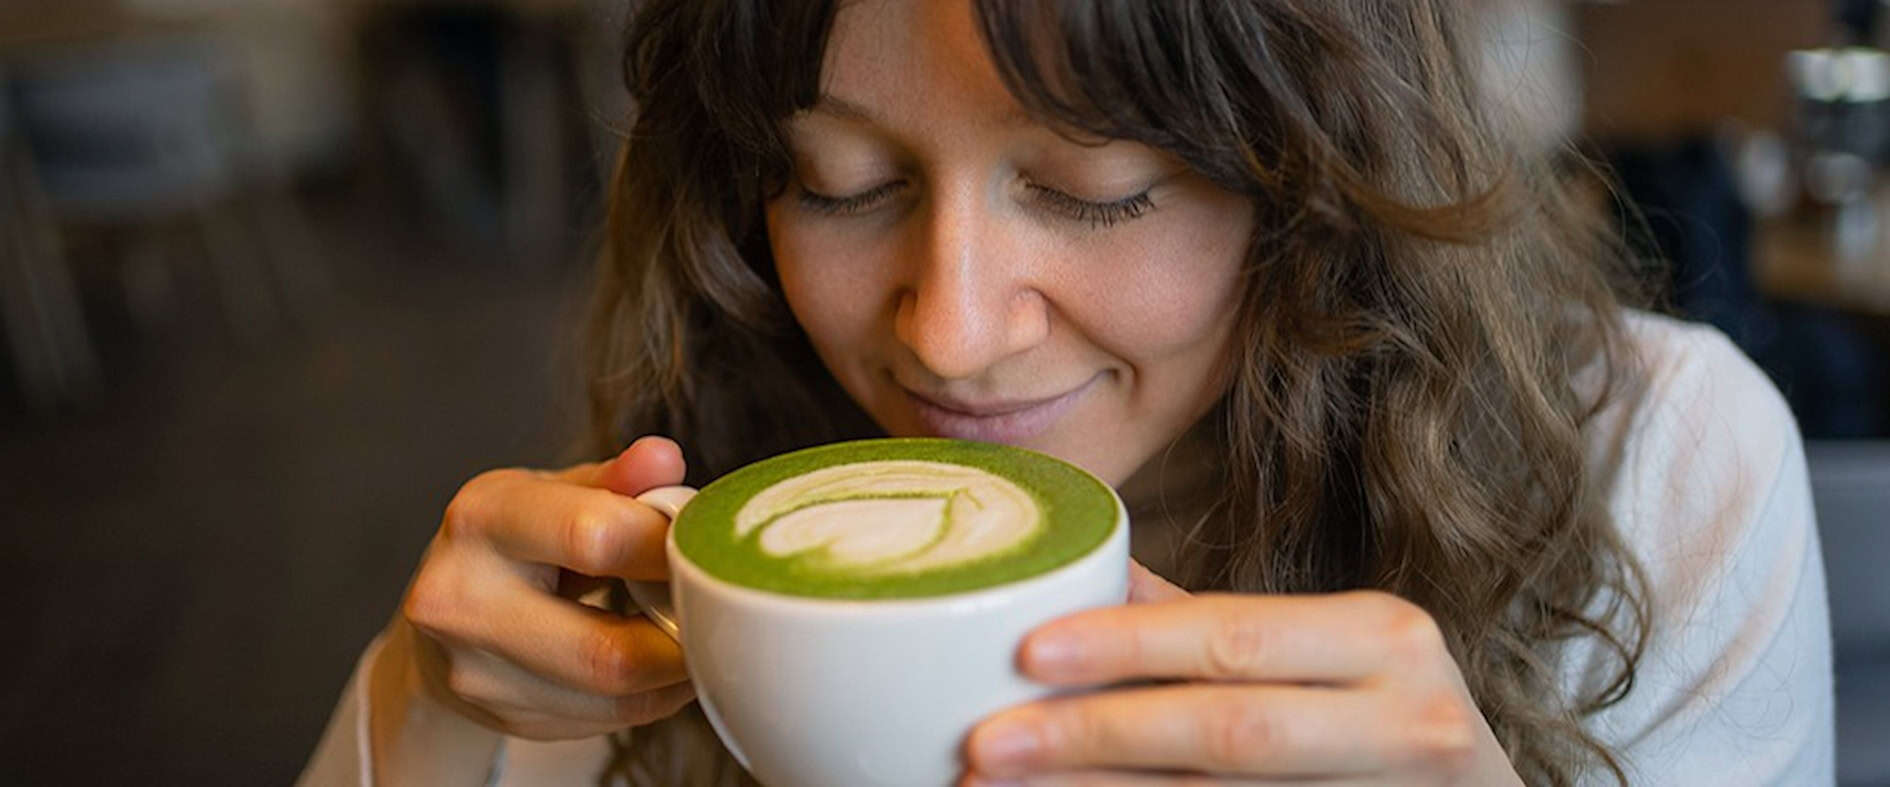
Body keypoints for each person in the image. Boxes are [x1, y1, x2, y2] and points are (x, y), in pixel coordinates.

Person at [300, 0, 1834, 784]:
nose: (949, 335)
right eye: (839, 184)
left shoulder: (1660, 468)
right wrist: (429, 717)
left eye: (1097, 190)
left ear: (1323, 178)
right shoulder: (706, 504)